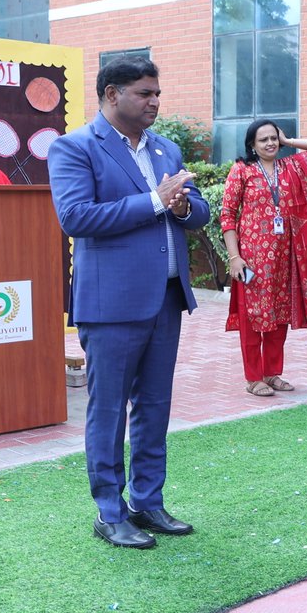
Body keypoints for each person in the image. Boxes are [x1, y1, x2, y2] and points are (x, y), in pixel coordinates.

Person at [48, 57, 210, 549]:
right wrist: (157, 201)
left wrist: (183, 205)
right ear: (112, 94)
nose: (155, 102)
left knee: (155, 407)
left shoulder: (166, 148)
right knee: (109, 410)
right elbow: (76, 216)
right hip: (111, 304)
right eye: (144, 93)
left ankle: (147, 502)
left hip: (165, 298)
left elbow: (197, 210)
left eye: (157, 93)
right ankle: (109, 511)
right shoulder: (75, 147)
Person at [221, 120, 307, 396]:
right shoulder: (242, 170)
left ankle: (271, 373)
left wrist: (289, 141)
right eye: (263, 140)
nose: (270, 143)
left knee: (279, 318)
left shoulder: (291, 166)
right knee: (252, 319)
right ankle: (253, 378)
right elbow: (228, 216)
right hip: (252, 260)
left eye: (273, 138)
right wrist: (234, 257)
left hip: (285, 258)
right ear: (252, 145)